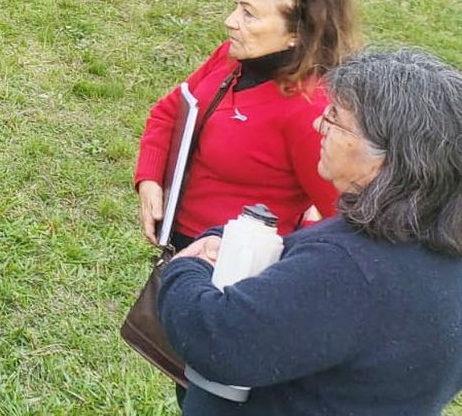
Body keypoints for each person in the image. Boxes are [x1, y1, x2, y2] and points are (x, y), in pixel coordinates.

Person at [159, 48, 462, 414]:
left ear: (382, 155)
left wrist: (188, 267)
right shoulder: (438, 247)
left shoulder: (349, 264)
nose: (318, 125)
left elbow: (218, 339)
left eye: (334, 120)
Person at [134, 0, 359, 250]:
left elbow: (340, 220)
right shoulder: (232, 57)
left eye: (248, 14)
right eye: (236, 5)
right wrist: (150, 178)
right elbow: (170, 112)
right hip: (179, 245)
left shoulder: (311, 112)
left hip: (230, 273)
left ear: (296, 34)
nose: (230, 21)